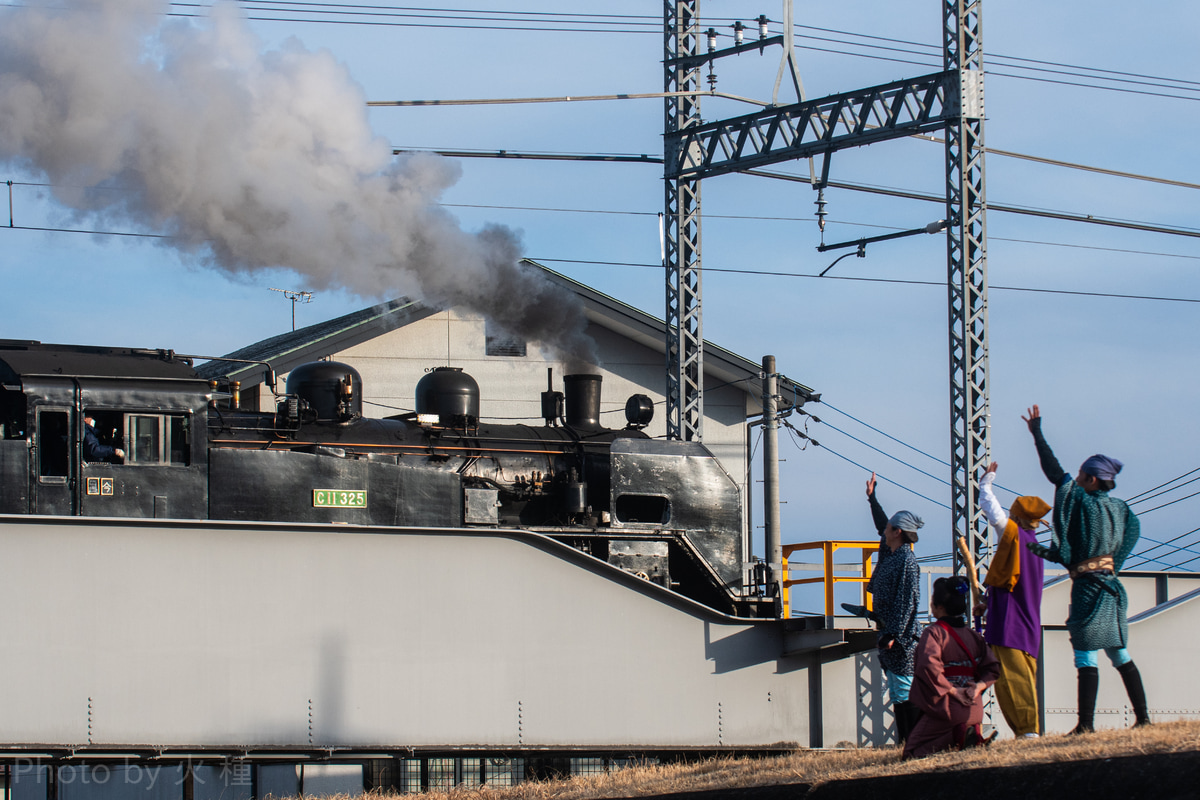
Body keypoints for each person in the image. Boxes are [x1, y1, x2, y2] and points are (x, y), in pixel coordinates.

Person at [1023, 404, 1150, 733]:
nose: (1075, 480)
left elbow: (1055, 474)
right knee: (1119, 652)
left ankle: (1085, 725)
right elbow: (1132, 532)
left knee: (1084, 652)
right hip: (1112, 586)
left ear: (1092, 479)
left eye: (1081, 477)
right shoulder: (1121, 509)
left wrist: (1037, 434)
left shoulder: (1080, 500)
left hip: (1088, 586)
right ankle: (1144, 718)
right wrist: (1113, 565)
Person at [978, 461, 1051, 739]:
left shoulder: (1014, 538)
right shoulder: (1035, 548)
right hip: (1025, 624)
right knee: (1013, 680)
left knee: (1014, 682)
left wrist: (987, 482)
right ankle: (1024, 732)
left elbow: (992, 513)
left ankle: (1028, 732)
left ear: (1017, 518)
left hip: (1010, 624)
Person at [904, 576, 1001, 759]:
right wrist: (978, 687)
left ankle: (961, 736)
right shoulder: (973, 636)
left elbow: (927, 666)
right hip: (975, 706)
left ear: (939, 607)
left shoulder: (933, 633)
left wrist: (953, 691)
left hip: (948, 705)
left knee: (912, 752)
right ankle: (969, 736)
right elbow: (993, 668)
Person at [862, 472, 923, 744]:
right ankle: (909, 743)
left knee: (903, 690)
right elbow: (881, 524)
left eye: (889, 529)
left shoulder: (907, 562)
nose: (884, 531)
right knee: (899, 689)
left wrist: (893, 635)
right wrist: (872, 498)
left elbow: (907, 603)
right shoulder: (892, 552)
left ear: (898, 532)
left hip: (901, 638)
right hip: (888, 632)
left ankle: (912, 743)